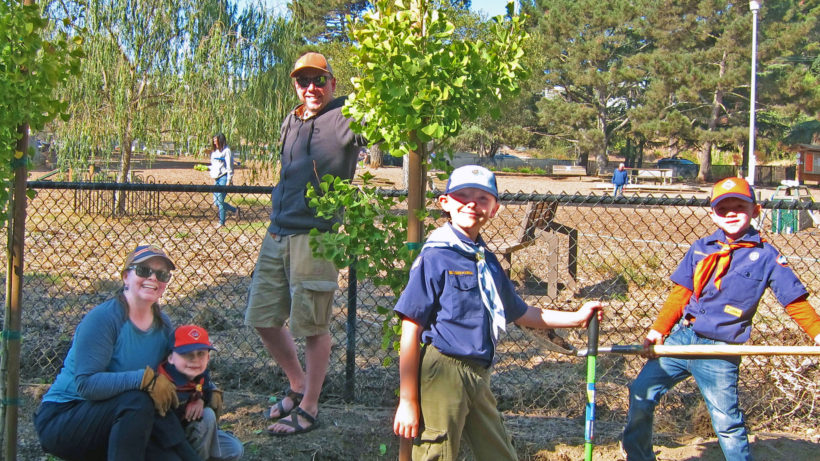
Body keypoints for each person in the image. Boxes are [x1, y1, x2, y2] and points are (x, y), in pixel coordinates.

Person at [392, 165, 604, 460]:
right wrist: (408, 400)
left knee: (500, 453)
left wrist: (577, 317)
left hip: (478, 375)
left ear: (494, 209)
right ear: (445, 203)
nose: (471, 203)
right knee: (435, 454)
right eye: (462, 195)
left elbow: (522, 313)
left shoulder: (487, 261)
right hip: (443, 372)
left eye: (482, 198)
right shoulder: (436, 256)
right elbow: (411, 328)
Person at [621, 177, 820, 461]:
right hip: (682, 338)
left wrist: (817, 334)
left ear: (755, 211)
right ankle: (638, 457)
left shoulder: (767, 256)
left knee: (727, 421)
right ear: (713, 213)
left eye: (739, 206)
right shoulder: (702, 248)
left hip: (720, 349)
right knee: (641, 392)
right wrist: (658, 330)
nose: (731, 213)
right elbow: (680, 294)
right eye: (723, 208)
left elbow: (795, 302)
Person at [245, 51, 367, 436]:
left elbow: (382, 124)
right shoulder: (291, 119)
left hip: (316, 236)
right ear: (295, 86)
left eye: (319, 80)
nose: (311, 88)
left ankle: (310, 406)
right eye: (303, 81)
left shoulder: (348, 114)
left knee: (313, 325)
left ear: (333, 83)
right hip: (278, 230)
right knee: (262, 317)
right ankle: (297, 384)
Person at [34, 245, 202, 461]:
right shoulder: (104, 319)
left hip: (126, 421)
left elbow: (179, 371)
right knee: (138, 398)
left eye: (162, 274)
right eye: (143, 271)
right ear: (125, 277)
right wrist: (144, 379)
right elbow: (86, 385)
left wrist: (202, 392)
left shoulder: (163, 325)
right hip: (66, 418)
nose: (153, 278)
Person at [158, 325, 243, 461]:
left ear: (208, 357)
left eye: (201, 353)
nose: (195, 360)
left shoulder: (200, 373)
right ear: (170, 358)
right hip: (166, 444)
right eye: (187, 354)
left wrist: (200, 399)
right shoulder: (162, 384)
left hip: (190, 433)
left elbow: (204, 387)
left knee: (233, 449)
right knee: (207, 416)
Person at [210, 133, 238, 227]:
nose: (214, 142)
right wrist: (205, 168)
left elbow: (230, 166)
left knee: (220, 201)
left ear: (220, 140)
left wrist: (229, 180)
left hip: (224, 177)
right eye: (213, 141)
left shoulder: (227, 151)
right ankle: (235, 210)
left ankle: (222, 222)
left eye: (216, 140)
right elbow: (214, 166)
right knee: (216, 202)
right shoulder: (214, 152)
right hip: (216, 178)